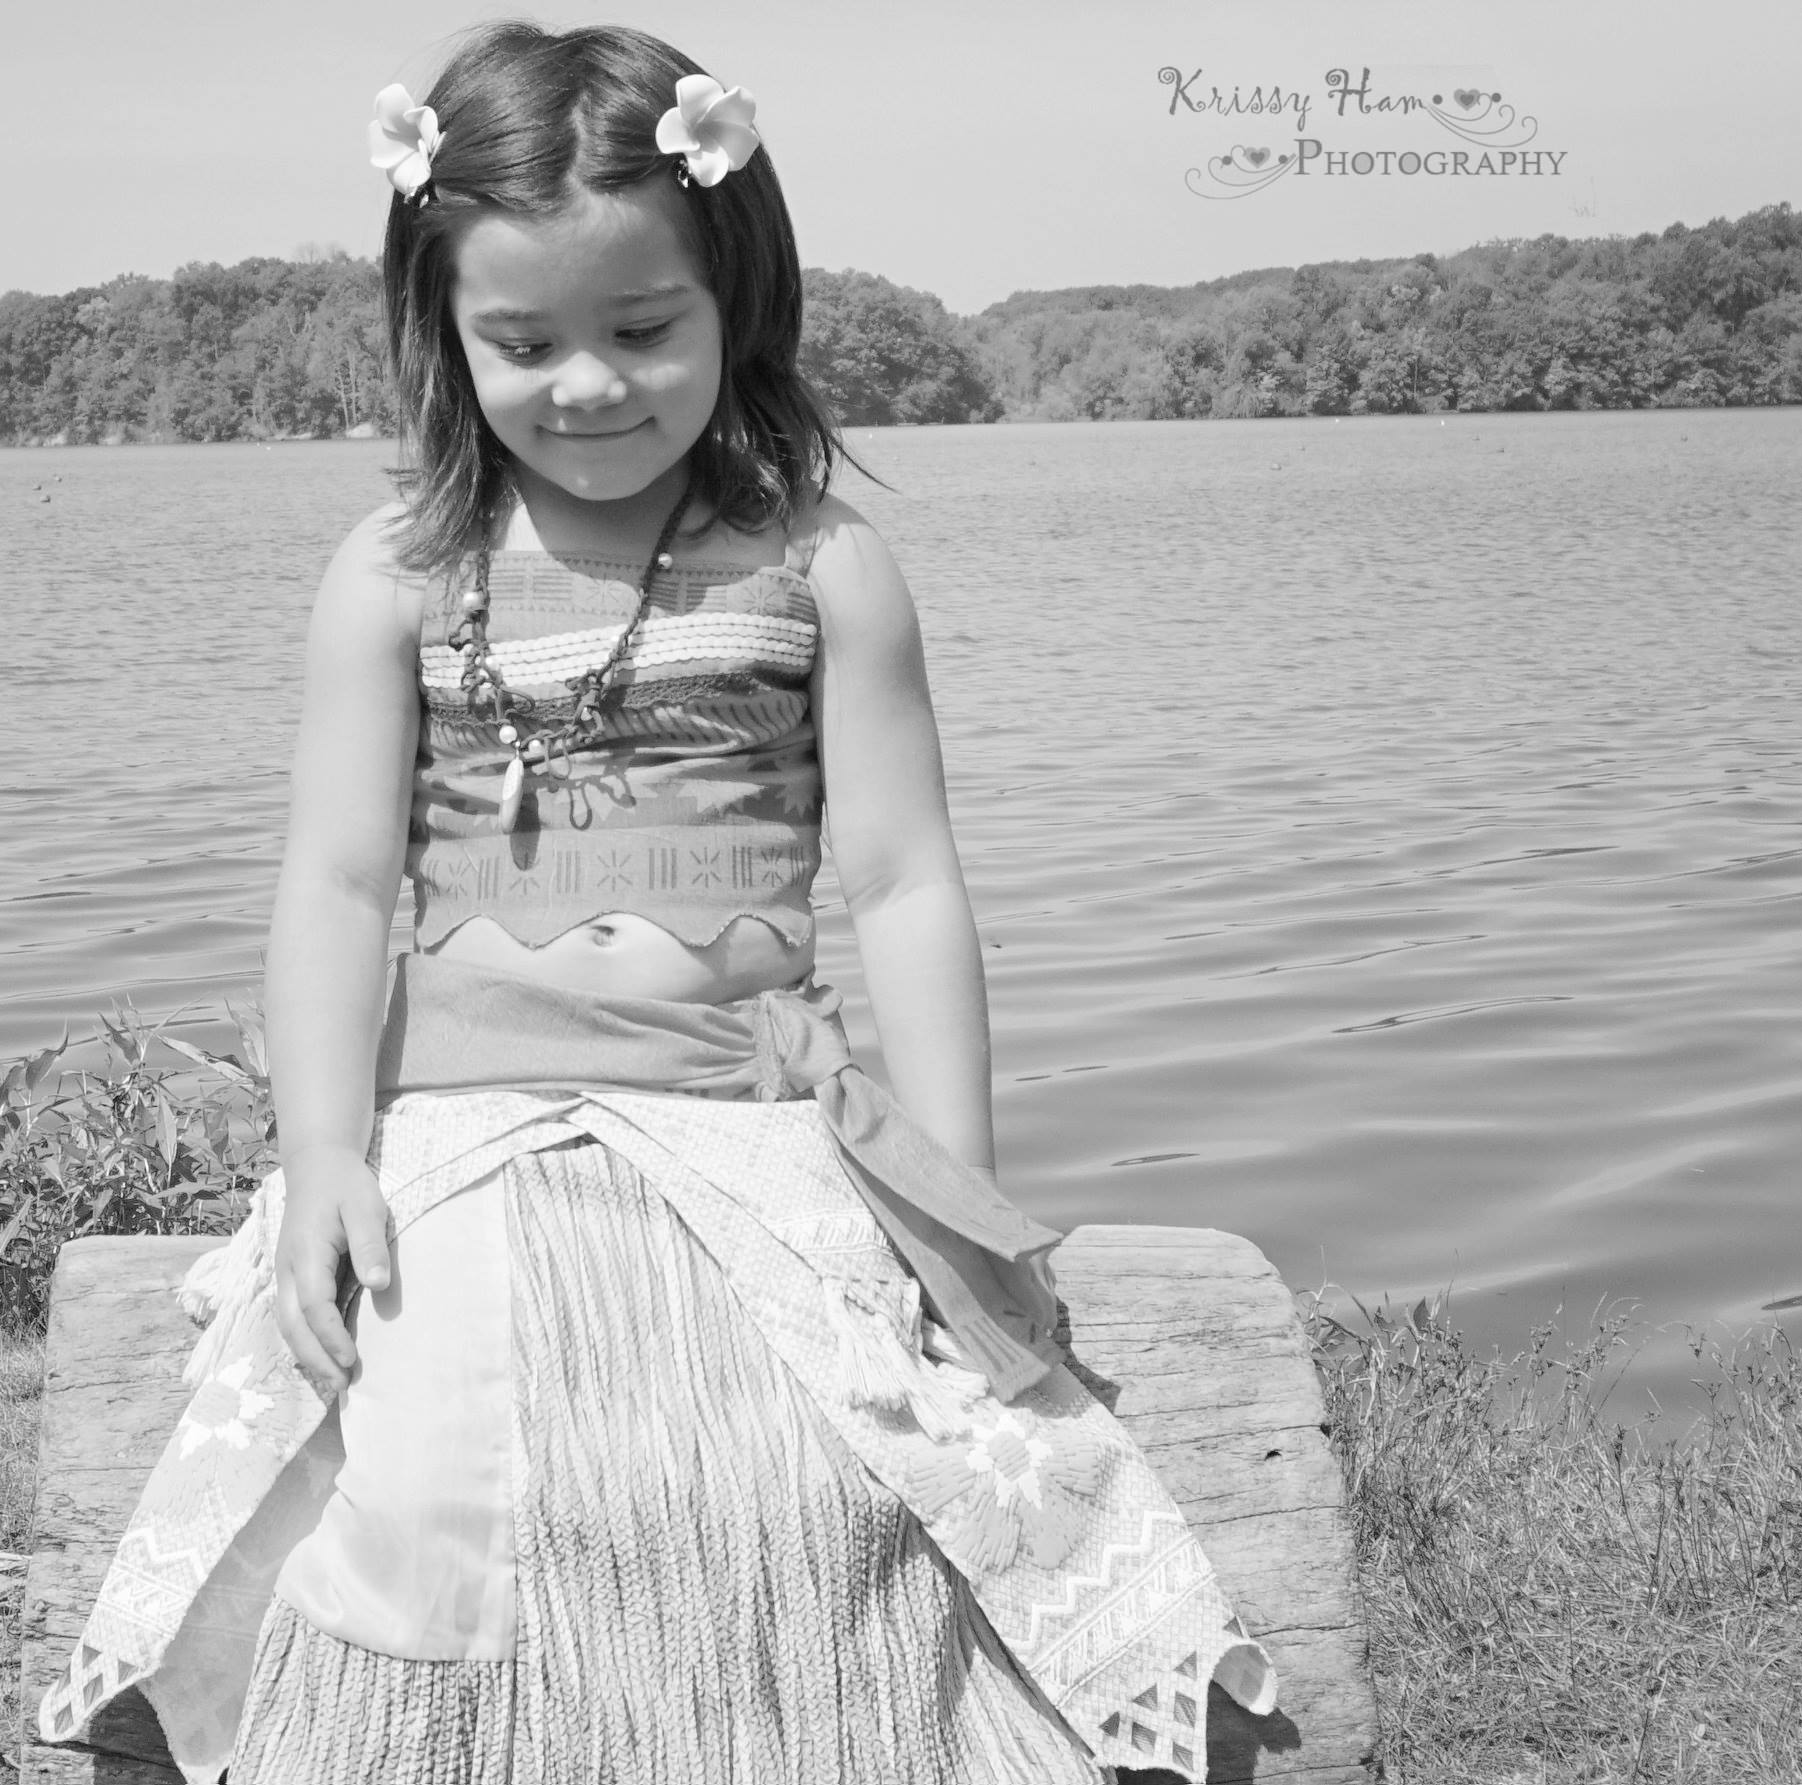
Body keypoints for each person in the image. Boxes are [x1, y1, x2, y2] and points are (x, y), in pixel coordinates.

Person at [39, 23, 1274, 1784]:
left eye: (643, 329)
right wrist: (320, 1153)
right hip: (460, 1134)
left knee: (848, 1456)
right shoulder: (397, 575)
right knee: (422, 1468)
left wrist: (956, 1192)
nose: (589, 386)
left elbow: (906, 882)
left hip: (748, 1125)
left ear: (734, 298)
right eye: (524, 342)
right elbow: (336, 880)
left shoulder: (820, 564)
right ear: (444, 330)